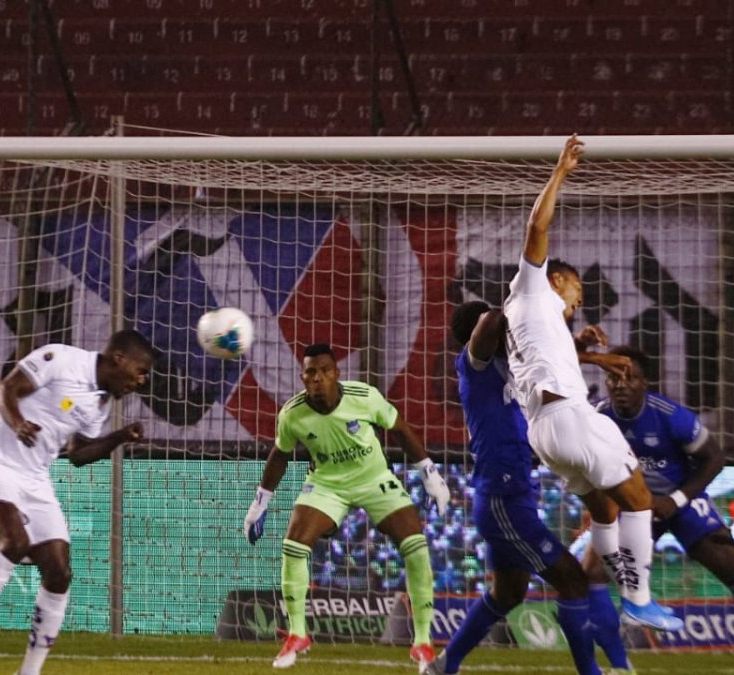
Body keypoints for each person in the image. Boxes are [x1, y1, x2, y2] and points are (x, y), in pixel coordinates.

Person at [499, 134, 681, 631]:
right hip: (571, 418)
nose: (580, 299)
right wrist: (560, 170)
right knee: (639, 499)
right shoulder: (534, 285)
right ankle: (639, 598)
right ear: (557, 280)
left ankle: (614, 587)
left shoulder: (524, 315)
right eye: (577, 289)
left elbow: (546, 355)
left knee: (603, 512)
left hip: (544, 432)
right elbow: (537, 224)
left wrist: (588, 351)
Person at [422, 302, 633, 675]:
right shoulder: (474, 364)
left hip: (512, 494)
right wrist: (522, 298)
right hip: (503, 499)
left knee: (508, 593)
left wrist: (575, 345)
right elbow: (490, 322)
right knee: (572, 579)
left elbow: (547, 362)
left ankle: (445, 665)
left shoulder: (512, 369)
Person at [0, 330, 156, 675]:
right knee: (15, 542)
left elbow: (77, 455)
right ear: (118, 357)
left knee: (59, 570)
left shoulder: (98, 403)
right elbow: (5, 391)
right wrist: (18, 423)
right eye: (140, 369)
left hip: (35, 478)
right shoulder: (60, 360)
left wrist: (119, 437)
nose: (141, 380)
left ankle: (29, 672)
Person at [241, 342, 451, 671]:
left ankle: (422, 642)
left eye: (325, 370)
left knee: (416, 546)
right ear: (303, 377)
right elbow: (280, 454)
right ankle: (298, 635)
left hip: (374, 479)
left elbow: (399, 429)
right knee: (293, 545)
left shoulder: (363, 397)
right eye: (311, 372)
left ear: (336, 374)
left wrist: (430, 474)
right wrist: (260, 503)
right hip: (327, 484)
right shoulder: (292, 414)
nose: (318, 378)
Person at [593, 345, 734, 674]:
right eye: (613, 377)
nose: (620, 385)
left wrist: (675, 500)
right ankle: (620, 666)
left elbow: (714, 459)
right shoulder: (597, 418)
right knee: (593, 576)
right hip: (634, 507)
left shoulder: (670, 416)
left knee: (732, 567)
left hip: (678, 498)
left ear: (645, 383)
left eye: (629, 377)